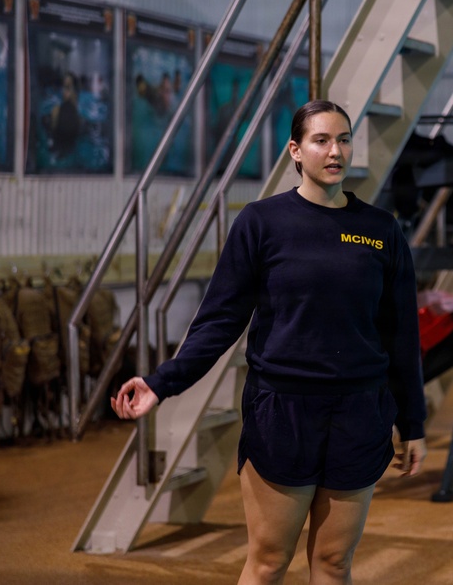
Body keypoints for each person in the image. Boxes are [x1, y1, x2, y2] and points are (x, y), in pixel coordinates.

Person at [112, 99, 428, 584]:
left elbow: (402, 334)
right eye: (321, 140)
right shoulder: (261, 224)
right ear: (295, 151)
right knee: (266, 562)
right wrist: (162, 382)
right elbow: (219, 320)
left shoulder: (380, 231)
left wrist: (413, 422)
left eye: (343, 139)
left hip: (359, 414)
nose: (335, 150)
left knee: (332, 563)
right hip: (283, 412)